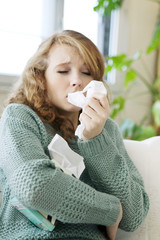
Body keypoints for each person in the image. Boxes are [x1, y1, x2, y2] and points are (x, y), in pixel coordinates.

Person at [0, 30, 149, 240]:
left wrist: (95, 140)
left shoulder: (107, 131)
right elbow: (34, 186)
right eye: (63, 71)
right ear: (41, 76)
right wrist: (110, 210)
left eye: (87, 72)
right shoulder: (20, 117)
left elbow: (133, 215)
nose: (77, 81)